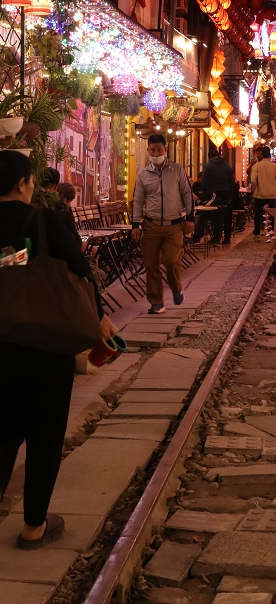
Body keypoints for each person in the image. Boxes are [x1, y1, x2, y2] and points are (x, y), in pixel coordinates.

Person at [0, 150, 116, 550]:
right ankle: (34, 526)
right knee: (45, 436)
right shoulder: (44, 220)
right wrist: (99, 318)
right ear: (22, 184)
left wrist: (14, 261)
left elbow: (10, 262)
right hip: (47, 347)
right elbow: (82, 269)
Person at [131, 133, 194, 315]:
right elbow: (137, 200)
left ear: (165, 150)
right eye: (152, 149)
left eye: (159, 149)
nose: (156, 152)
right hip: (150, 226)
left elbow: (187, 194)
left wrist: (190, 218)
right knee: (151, 265)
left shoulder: (177, 170)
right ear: (148, 150)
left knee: (170, 261)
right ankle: (156, 302)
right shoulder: (143, 175)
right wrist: (135, 224)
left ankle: (176, 288)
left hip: (174, 225)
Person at [193, 146, 234, 246]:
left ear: (209, 157)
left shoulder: (209, 165)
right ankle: (224, 238)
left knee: (205, 212)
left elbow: (205, 181)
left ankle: (197, 237)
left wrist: (204, 194)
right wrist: (230, 196)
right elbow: (231, 181)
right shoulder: (226, 165)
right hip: (225, 194)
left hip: (213, 193)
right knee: (222, 215)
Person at [249, 146, 276, 238]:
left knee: (258, 214)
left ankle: (257, 233)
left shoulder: (256, 166)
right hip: (272, 194)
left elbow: (253, 181)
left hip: (259, 194)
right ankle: (270, 232)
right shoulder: (275, 166)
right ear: (270, 155)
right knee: (271, 214)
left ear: (262, 155)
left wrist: (253, 189)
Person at [55, 182, 81, 248]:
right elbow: (72, 230)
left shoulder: (51, 207)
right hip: (67, 247)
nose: (68, 204)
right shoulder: (66, 210)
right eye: (68, 201)